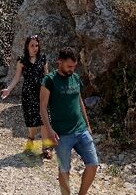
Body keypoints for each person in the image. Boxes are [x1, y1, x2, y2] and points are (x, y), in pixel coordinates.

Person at [40, 47, 98, 195]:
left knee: (93, 164)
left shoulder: (76, 78)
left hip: (81, 129)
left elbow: (79, 102)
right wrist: (50, 130)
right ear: (59, 62)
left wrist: (88, 125)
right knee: (64, 170)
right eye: (69, 66)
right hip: (62, 134)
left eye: (74, 66)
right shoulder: (49, 80)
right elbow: (42, 107)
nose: (72, 69)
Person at [1, 34, 51, 158]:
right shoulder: (22, 60)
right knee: (32, 121)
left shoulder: (43, 59)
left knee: (45, 120)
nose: (35, 48)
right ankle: (31, 139)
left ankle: (46, 148)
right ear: (27, 47)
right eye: (32, 45)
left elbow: (47, 76)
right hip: (28, 94)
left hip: (42, 93)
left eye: (37, 45)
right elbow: (16, 78)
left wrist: (52, 90)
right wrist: (8, 89)